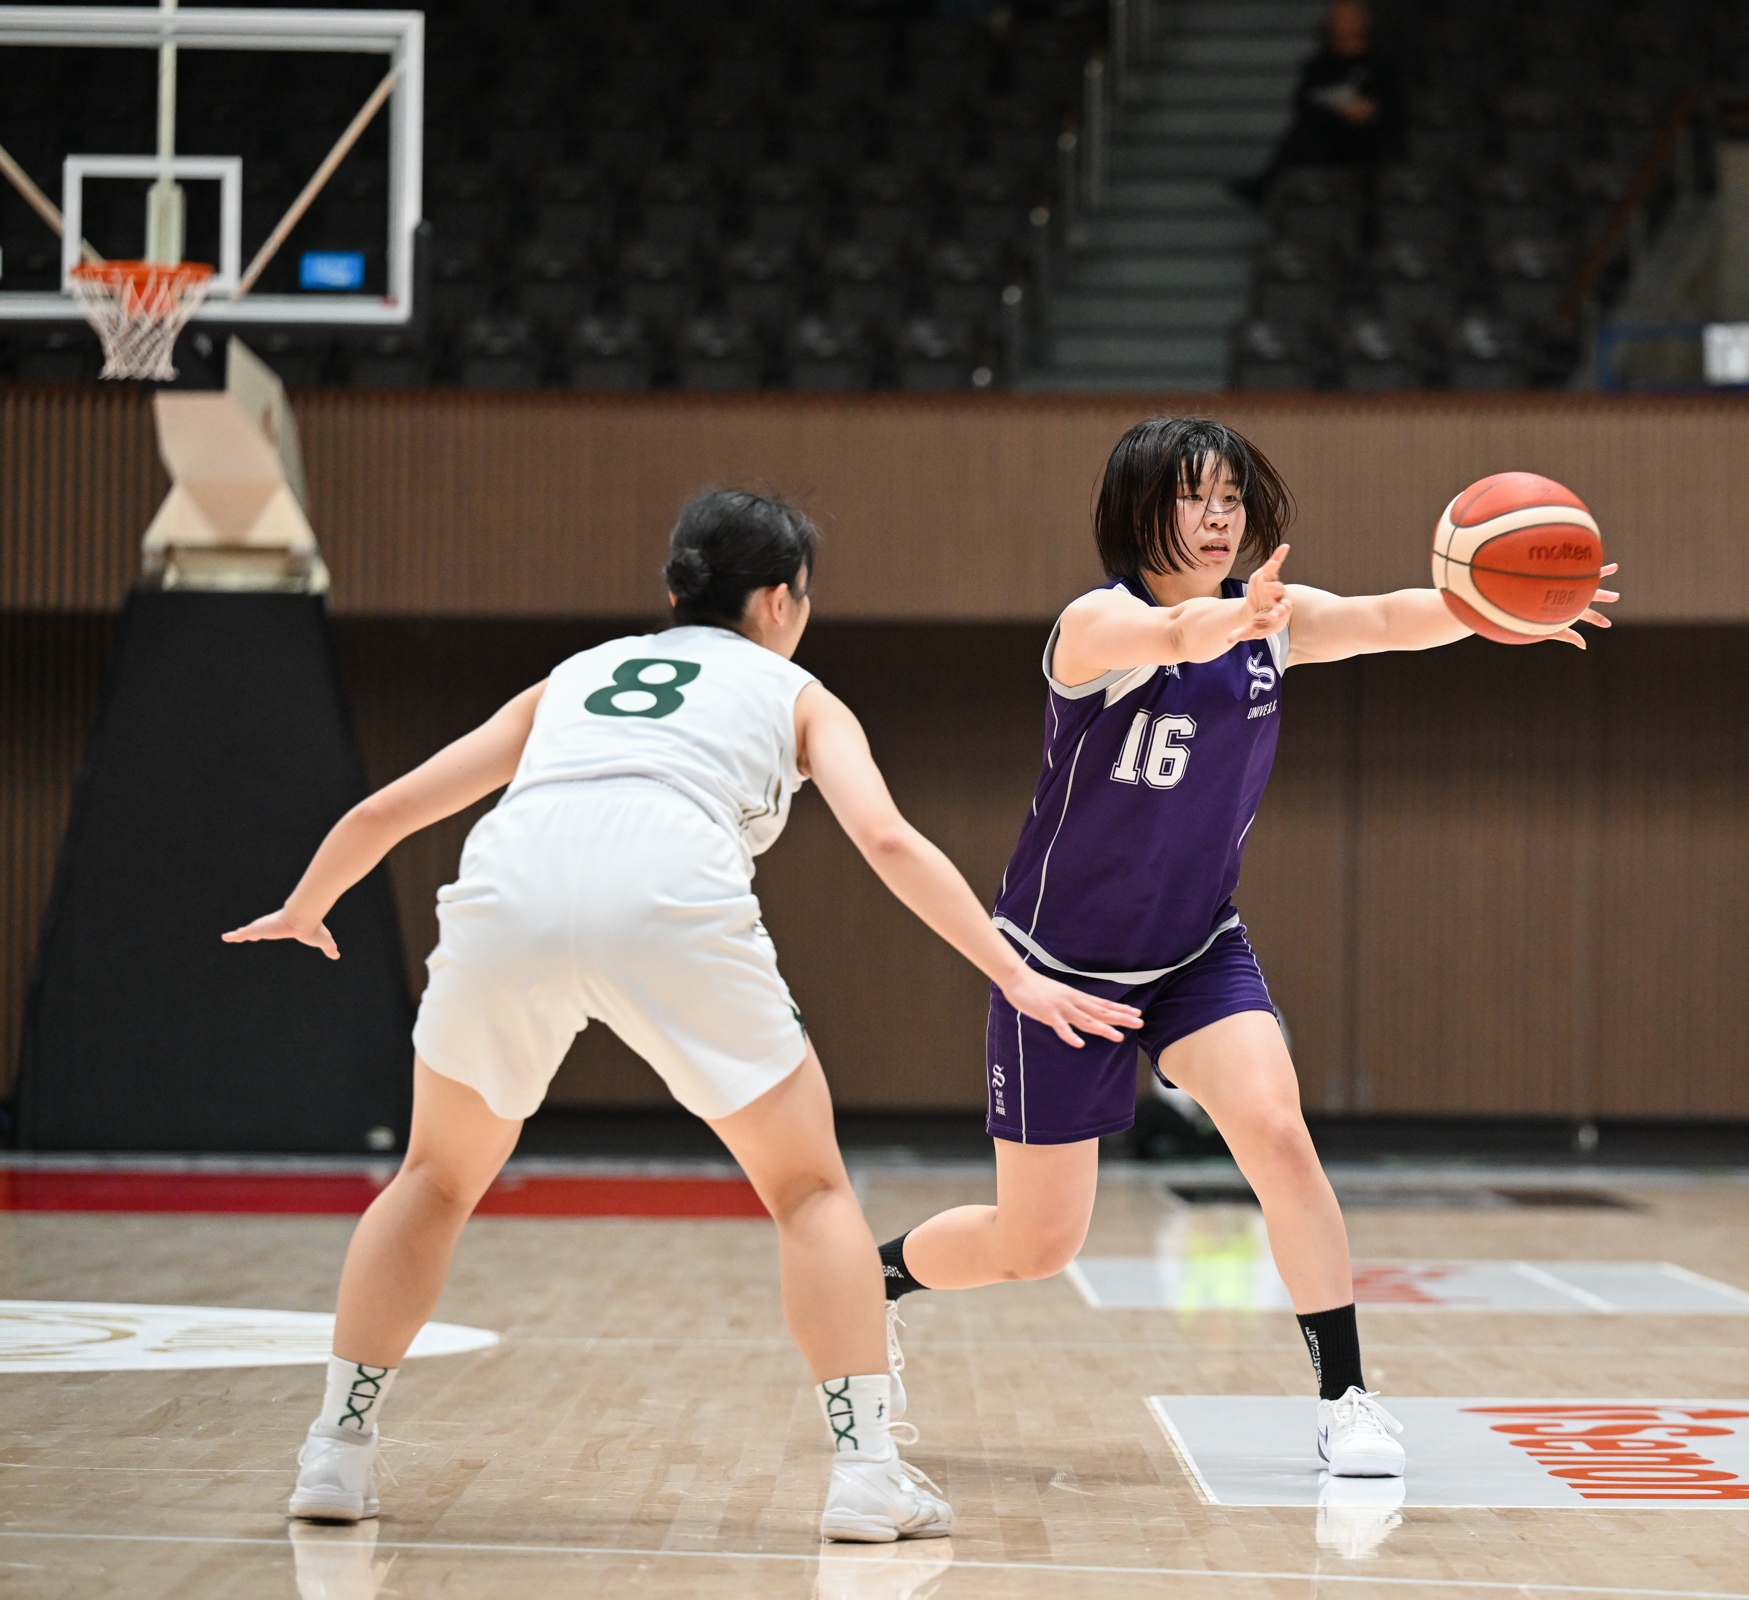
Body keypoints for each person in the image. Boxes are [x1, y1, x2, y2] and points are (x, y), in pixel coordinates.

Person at [225, 489, 1139, 1543]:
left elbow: (393, 806)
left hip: (511, 883)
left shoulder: (574, 676)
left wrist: (307, 903)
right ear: (782, 600)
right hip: (668, 884)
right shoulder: (801, 694)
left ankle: (334, 1452)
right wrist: (1015, 974)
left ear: (675, 595)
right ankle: (866, 1473)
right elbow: (888, 840)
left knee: (432, 1178)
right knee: (807, 1189)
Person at [873, 416, 1614, 1478]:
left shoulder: (1272, 619)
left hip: (1193, 950)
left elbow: (1387, 618)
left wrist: (1501, 606)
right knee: (1035, 1245)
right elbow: (1177, 637)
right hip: (1054, 970)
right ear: (1140, 510)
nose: (1219, 518)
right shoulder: (1095, 624)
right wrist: (1236, 618)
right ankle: (877, 1280)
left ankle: (1347, 1398)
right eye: (1195, 497)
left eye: (1232, 499)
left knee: (1276, 1132)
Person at [1230, 0, 1405, 207]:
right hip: (1326, 137)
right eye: (1337, 17)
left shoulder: (1381, 65)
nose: (1341, 22)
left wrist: (1369, 109)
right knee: (1309, 127)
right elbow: (1303, 101)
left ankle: (1269, 185)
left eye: (1347, 16)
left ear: (1364, 20)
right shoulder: (1320, 65)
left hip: (1365, 139)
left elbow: (1393, 107)